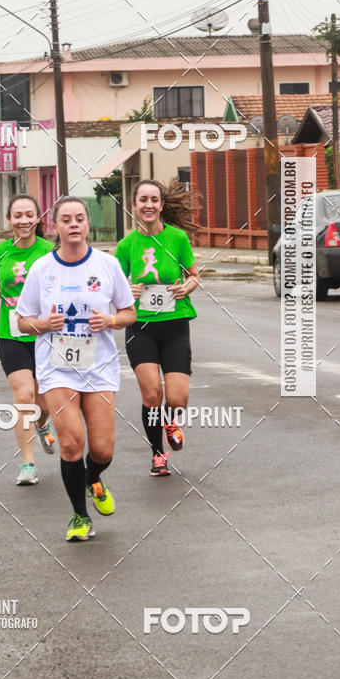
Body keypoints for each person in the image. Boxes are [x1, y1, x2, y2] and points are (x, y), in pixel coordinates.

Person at [16, 196, 136, 541]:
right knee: (71, 444)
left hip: (99, 367)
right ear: (54, 226)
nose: (73, 224)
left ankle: (93, 476)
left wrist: (110, 320)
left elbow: (129, 312)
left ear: (87, 225)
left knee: (102, 450)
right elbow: (22, 322)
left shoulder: (107, 265)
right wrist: (43, 322)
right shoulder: (42, 269)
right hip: (58, 368)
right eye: (65, 219)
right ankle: (80, 517)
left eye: (79, 218)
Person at [115, 179, 200, 477]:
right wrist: (129, 290)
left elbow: (193, 275)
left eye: (154, 199)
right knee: (151, 394)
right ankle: (157, 454)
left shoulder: (177, 238)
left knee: (177, 399)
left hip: (175, 325)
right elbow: (115, 288)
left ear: (161, 205)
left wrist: (185, 288)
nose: (148, 204)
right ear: (135, 205)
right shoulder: (126, 245)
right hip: (141, 328)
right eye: (143, 199)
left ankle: (170, 419)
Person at [0, 195, 54, 486]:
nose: (24, 221)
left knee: (43, 400)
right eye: (18, 215)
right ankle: (28, 463)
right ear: (9, 220)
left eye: (29, 215)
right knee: (23, 396)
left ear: (38, 218)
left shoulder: (51, 251)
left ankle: (42, 425)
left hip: (45, 333)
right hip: (11, 333)